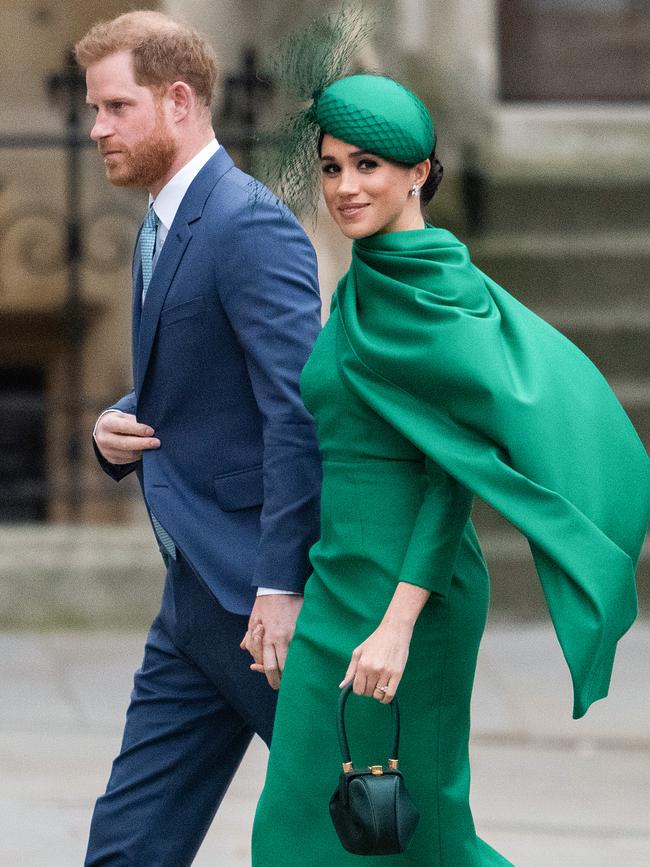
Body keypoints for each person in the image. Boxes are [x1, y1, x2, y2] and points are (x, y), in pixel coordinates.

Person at [249, 72, 650, 864]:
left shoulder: (438, 292)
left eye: (367, 165)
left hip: (410, 597)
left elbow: (452, 476)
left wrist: (396, 627)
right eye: (331, 168)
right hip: (338, 584)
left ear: (420, 171)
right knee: (299, 826)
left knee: (412, 830)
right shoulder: (363, 284)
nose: (345, 186)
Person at [75, 11, 322, 865]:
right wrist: (118, 424)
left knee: (357, 835)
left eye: (114, 107)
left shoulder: (246, 223)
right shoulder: (161, 223)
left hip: (266, 616)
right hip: (192, 607)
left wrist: (282, 583)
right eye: (93, 108)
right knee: (125, 849)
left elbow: (297, 410)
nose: (96, 127)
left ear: (177, 101)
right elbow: (204, 379)